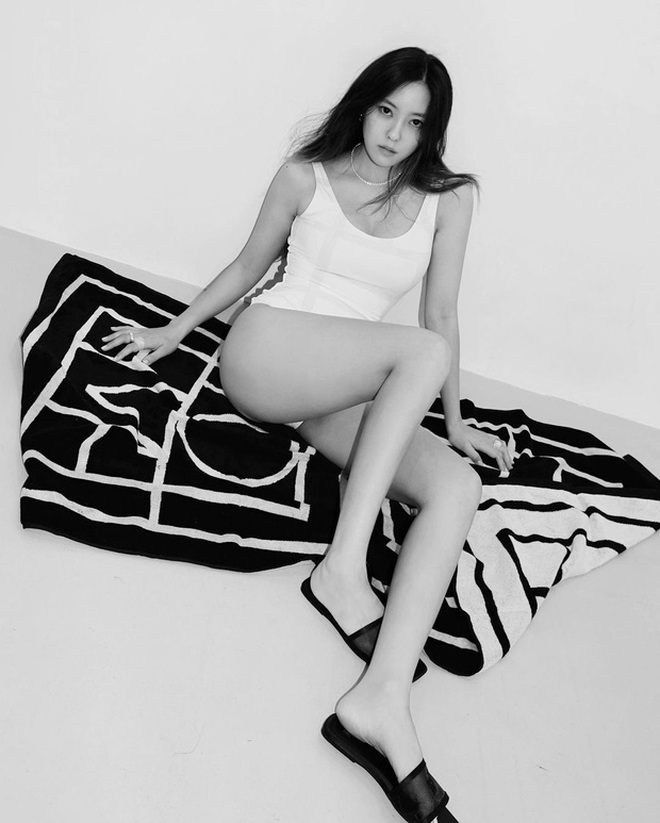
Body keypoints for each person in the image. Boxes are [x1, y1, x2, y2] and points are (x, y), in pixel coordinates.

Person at [102, 46, 513, 823]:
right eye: (385, 111)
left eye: (415, 122)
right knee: (420, 354)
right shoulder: (306, 176)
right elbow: (246, 266)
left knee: (457, 486)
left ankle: (380, 701)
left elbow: (442, 314)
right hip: (266, 353)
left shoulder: (449, 200)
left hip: (342, 385)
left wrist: (457, 424)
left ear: (432, 131)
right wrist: (172, 330)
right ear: (364, 104)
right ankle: (343, 567)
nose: (394, 134)